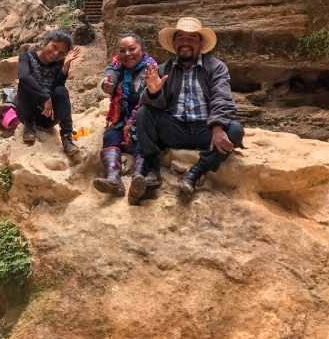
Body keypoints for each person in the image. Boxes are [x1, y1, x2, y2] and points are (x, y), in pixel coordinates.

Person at [134, 16, 245, 199]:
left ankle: (195, 173)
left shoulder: (216, 67)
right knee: (144, 113)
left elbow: (222, 98)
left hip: (206, 130)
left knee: (235, 130)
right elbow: (155, 104)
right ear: (174, 43)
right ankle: (153, 169)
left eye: (192, 38)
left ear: (201, 44)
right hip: (175, 129)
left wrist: (217, 127)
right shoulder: (164, 69)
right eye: (181, 38)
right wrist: (153, 94)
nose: (185, 43)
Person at [93, 33, 157, 202]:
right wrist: (106, 85)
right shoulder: (116, 67)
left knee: (141, 142)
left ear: (142, 49)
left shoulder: (152, 69)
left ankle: (139, 179)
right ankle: (114, 179)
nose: (127, 54)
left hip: (143, 121)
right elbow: (108, 79)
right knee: (110, 136)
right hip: (121, 119)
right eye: (122, 50)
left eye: (132, 49)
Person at [16, 30, 82, 156]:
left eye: (61, 52)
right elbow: (23, 76)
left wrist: (65, 67)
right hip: (27, 112)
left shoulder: (59, 63)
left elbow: (58, 87)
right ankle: (29, 126)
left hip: (47, 116)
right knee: (24, 83)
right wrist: (45, 97)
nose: (56, 53)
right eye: (54, 47)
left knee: (61, 91)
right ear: (46, 42)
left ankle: (67, 137)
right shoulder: (26, 57)